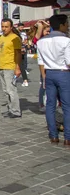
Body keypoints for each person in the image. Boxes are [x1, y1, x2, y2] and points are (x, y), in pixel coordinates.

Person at [36, 14, 70, 145]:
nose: (67, 26)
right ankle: (68, 137)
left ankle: (53, 135)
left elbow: (40, 62)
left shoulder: (41, 41)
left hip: (49, 73)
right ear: (61, 25)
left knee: (50, 105)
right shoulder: (66, 41)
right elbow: (69, 61)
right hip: (63, 73)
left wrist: (44, 77)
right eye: (66, 24)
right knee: (67, 106)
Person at [0, 18, 22, 118]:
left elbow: (18, 54)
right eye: (2, 26)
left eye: (6, 27)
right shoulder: (2, 38)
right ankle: (10, 108)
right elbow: (0, 52)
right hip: (1, 66)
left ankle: (16, 111)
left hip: (10, 66)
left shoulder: (15, 38)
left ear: (11, 27)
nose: (4, 29)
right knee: (5, 90)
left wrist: (17, 67)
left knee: (11, 90)